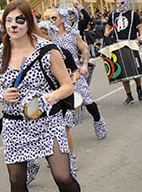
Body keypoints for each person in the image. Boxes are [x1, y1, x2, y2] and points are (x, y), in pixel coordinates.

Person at [0, 0, 98, 192]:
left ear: (29, 22)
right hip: (15, 125)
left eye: (19, 20)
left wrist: (51, 96)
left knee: (63, 177)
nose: (13, 25)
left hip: (48, 123)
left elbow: (67, 85)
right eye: (8, 20)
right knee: (16, 180)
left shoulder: (48, 49)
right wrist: (1, 96)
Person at [46, 7, 108, 142]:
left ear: (62, 19)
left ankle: (98, 121)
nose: (51, 21)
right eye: (50, 18)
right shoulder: (49, 35)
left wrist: (85, 65)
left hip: (74, 72)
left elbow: (84, 49)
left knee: (88, 100)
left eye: (54, 18)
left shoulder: (73, 33)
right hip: (56, 75)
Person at [106, 0, 142, 105]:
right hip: (117, 44)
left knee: (134, 70)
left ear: (126, 3)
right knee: (122, 72)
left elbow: (140, 27)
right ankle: (129, 95)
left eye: (122, 3)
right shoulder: (113, 16)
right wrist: (107, 31)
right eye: (117, 3)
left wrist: (141, 35)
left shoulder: (133, 14)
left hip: (131, 43)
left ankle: (138, 87)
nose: (120, 5)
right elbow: (108, 26)